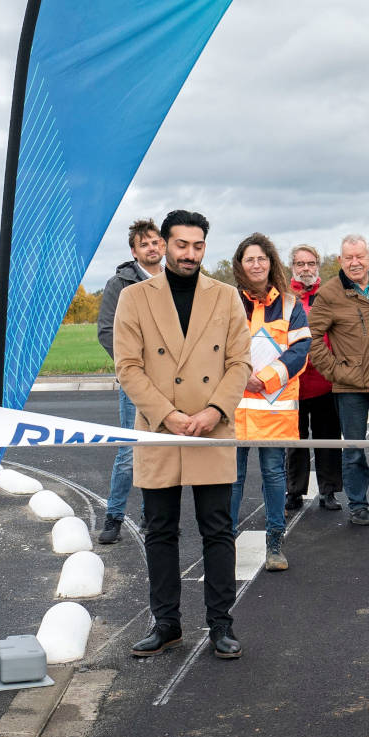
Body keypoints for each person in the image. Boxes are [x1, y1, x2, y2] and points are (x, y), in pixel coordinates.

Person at [113, 210, 252, 660]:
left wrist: (215, 410)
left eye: (198, 246)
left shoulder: (226, 297)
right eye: (181, 245)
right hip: (159, 430)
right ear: (165, 245)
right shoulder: (134, 297)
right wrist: (167, 415)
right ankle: (166, 624)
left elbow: (239, 362)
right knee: (160, 530)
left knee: (218, 530)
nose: (190, 254)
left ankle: (221, 624)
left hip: (213, 427)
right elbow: (128, 367)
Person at [308, 234, 369, 526]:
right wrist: (336, 371)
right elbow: (311, 338)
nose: (354, 263)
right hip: (350, 386)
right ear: (340, 260)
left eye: (360, 256)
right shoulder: (329, 294)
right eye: (348, 258)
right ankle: (358, 505)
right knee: (354, 449)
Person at [229, 233, 310, 572]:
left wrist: (264, 379)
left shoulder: (290, 305)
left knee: (274, 475)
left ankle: (275, 544)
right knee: (230, 478)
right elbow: (215, 348)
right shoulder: (228, 302)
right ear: (240, 265)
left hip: (273, 409)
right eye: (249, 259)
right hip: (233, 409)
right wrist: (241, 376)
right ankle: (225, 543)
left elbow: (300, 351)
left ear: (271, 262)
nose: (256, 264)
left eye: (261, 258)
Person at [95, 219, 163, 545]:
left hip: (171, 381)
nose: (151, 248)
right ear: (134, 251)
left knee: (161, 450)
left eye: (156, 242)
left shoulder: (175, 280)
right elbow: (107, 331)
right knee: (129, 450)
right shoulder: (120, 284)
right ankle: (114, 516)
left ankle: (153, 515)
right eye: (144, 244)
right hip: (135, 380)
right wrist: (134, 366)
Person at [287, 244, 341, 512]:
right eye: (300, 264)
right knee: (294, 440)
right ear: (292, 267)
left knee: (327, 438)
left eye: (310, 263)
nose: (305, 269)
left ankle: (328, 490)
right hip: (292, 382)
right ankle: (294, 490)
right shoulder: (284, 297)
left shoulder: (329, 295)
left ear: (318, 265)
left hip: (324, 380)